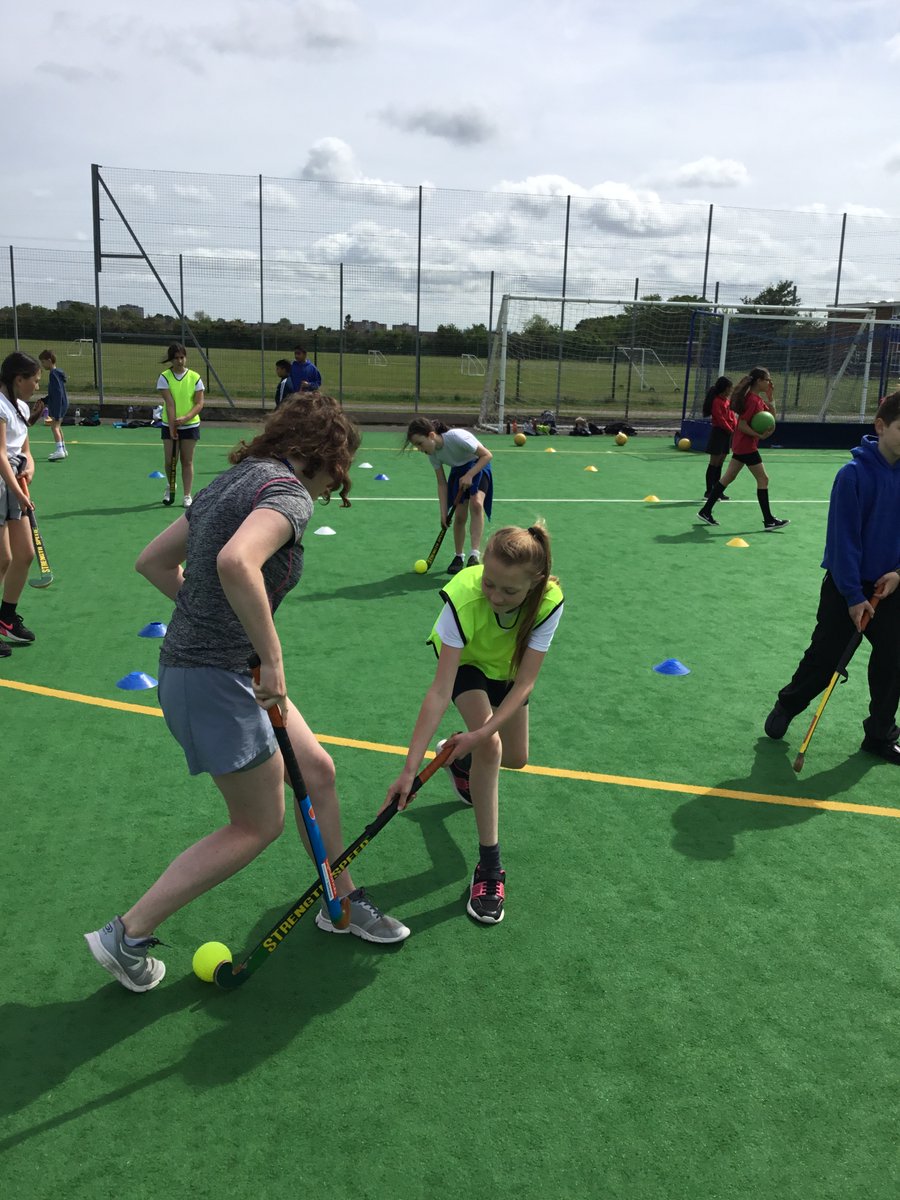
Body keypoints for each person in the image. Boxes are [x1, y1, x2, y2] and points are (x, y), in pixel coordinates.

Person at [84, 394, 410, 993]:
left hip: (214, 668)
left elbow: (153, 563)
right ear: (329, 455)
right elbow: (238, 563)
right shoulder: (286, 494)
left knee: (317, 769)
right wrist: (270, 654)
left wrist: (218, 627)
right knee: (257, 825)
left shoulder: (229, 481)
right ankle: (126, 935)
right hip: (216, 679)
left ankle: (339, 898)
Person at [384, 524, 563, 925]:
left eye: (509, 591)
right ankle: (489, 868)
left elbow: (527, 681)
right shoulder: (463, 599)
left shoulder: (549, 601)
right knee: (492, 747)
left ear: (534, 584)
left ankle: (459, 762)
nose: (495, 597)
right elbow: (438, 691)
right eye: (490, 583)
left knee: (515, 758)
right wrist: (409, 769)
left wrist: (481, 734)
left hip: (509, 673)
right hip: (467, 667)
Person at [764, 391, 900, 764]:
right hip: (847, 588)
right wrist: (854, 596)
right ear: (881, 426)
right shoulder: (853, 475)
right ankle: (788, 704)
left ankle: (879, 734)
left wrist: (898, 574)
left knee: (894, 658)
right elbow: (843, 543)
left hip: (891, 587)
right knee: (825, 658)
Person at [697, 366, 789, 530]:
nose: (770, 382)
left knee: (728, 477)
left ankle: (705, 510)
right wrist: (759, 435)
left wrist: (771, 396)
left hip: (742, 445)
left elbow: (772, 417)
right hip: (747, 446)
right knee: (763, 479)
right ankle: (768, 520)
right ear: (759, 381)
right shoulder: (752, 401)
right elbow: (742, 425)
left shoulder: (757, 399)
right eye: (767, 379)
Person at [405, 417, 494, 574]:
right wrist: (443, 513)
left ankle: (474, 555)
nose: (419, 449)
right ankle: (458, 556)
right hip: (458, 472)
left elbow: (487, 455)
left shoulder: (456, 437)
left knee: (476, 503)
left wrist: (470, 475)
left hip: (477, 465)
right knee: (459, 516)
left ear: (431, 435)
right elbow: (441, 483)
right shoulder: (432, 454)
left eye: (420, 443)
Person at [0, 352, 40, 656]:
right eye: (34, 380)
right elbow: (1, 453)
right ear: (18, 379)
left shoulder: (21, 407)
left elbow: (24, 448)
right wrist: (19, 491)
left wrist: (30, 466)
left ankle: (7, 617)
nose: (36, 386)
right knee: (2, 559)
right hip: (2, 483)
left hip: (14, 481)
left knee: (25, 555)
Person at [157, 343, 204, 508]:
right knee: (170, 461)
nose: (179, 361)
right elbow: (169, 404)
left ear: (186, 358)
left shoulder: (195, 377)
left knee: (187, 461)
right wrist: (172, 427)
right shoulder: (164, 377)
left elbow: (199, 404)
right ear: (171, 359)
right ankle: (170, 487)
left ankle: (187, 495)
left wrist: (185, 418)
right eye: (176, 358)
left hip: (190, 425)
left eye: (182, 357)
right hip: (169, 424)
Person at [701, 375, 735, 500]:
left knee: (720, 463)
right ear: (725, 388)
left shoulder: (727, 400)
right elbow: (720, 419)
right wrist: (731, 430)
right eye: (730, 387)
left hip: (727, 434)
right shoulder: (717, 401)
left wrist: (734, 428)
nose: (731, 390)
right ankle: (708, 491)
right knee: (714, 463)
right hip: (718, 433)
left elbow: (731, 416)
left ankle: (717, 490)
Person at [37, 350, 69, 461]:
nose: (42, 365)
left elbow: (57, 392)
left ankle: (60, 450)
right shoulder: (57, 373)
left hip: (58, 404)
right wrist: (45, 400)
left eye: (43, 362)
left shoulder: (53, 374)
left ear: (49, 361)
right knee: (57, 426)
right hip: (62, 403)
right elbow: (54, 392)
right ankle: (63, 449)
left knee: (54, 427)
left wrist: (56, 408)